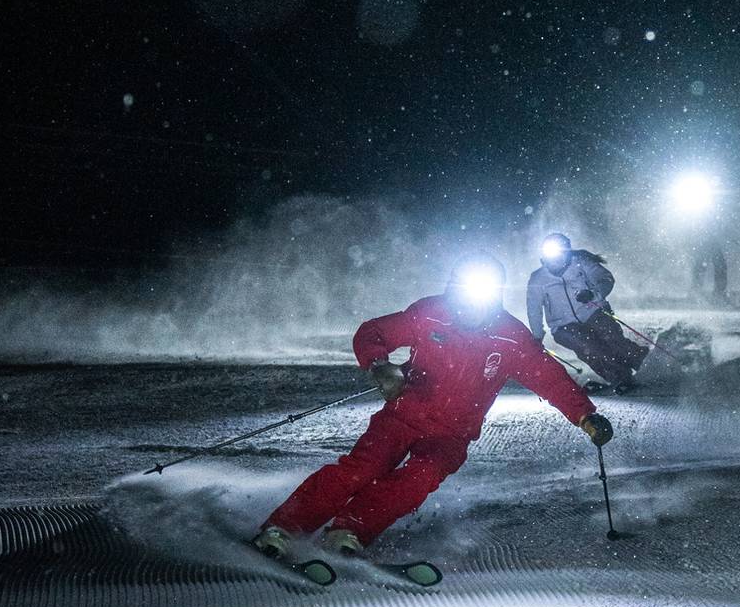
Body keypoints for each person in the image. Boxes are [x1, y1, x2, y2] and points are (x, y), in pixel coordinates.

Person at [253, 255, 612, 559]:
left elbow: (549, 377)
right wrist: (380, 366)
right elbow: (373, 332)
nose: (469, 304)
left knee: (419, 477)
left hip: (451, 433)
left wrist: (585, 414)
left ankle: (351, 530)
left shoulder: (510, 336)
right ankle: (283, 528)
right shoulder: (431, 313)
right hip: (403, 417)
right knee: (363, 468)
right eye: (463, 291)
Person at [526, 233, 647, 391]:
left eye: (559, 252)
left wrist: (593, 294)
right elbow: (534, 309)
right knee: (589, 347)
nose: (555, 259)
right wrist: (537, 335)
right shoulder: (538, 278)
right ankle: (620, 377)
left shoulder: (581, 264)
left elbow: (606, 279)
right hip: (563, 325)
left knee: (612, 337)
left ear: (567, 252)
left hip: (592, 311)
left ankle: (646, 365)